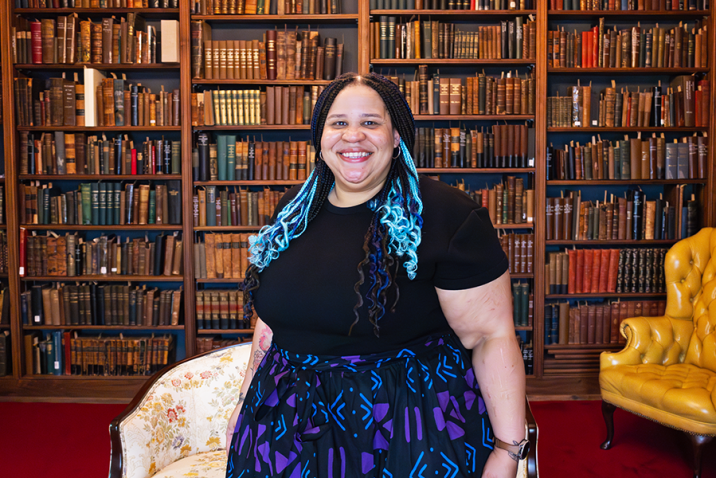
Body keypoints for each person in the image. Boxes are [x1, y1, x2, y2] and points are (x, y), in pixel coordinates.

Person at [225, 72, 526, 478]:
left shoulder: (448, 216)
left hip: (406, 424)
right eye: (338, 123)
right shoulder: (292, 212)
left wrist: (509, 451)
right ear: (320, 137)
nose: (353, 137)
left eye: (370, 122)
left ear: (397, 136)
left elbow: (491, 336)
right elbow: (272, 325)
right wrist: (244, 407)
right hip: (285, 424)